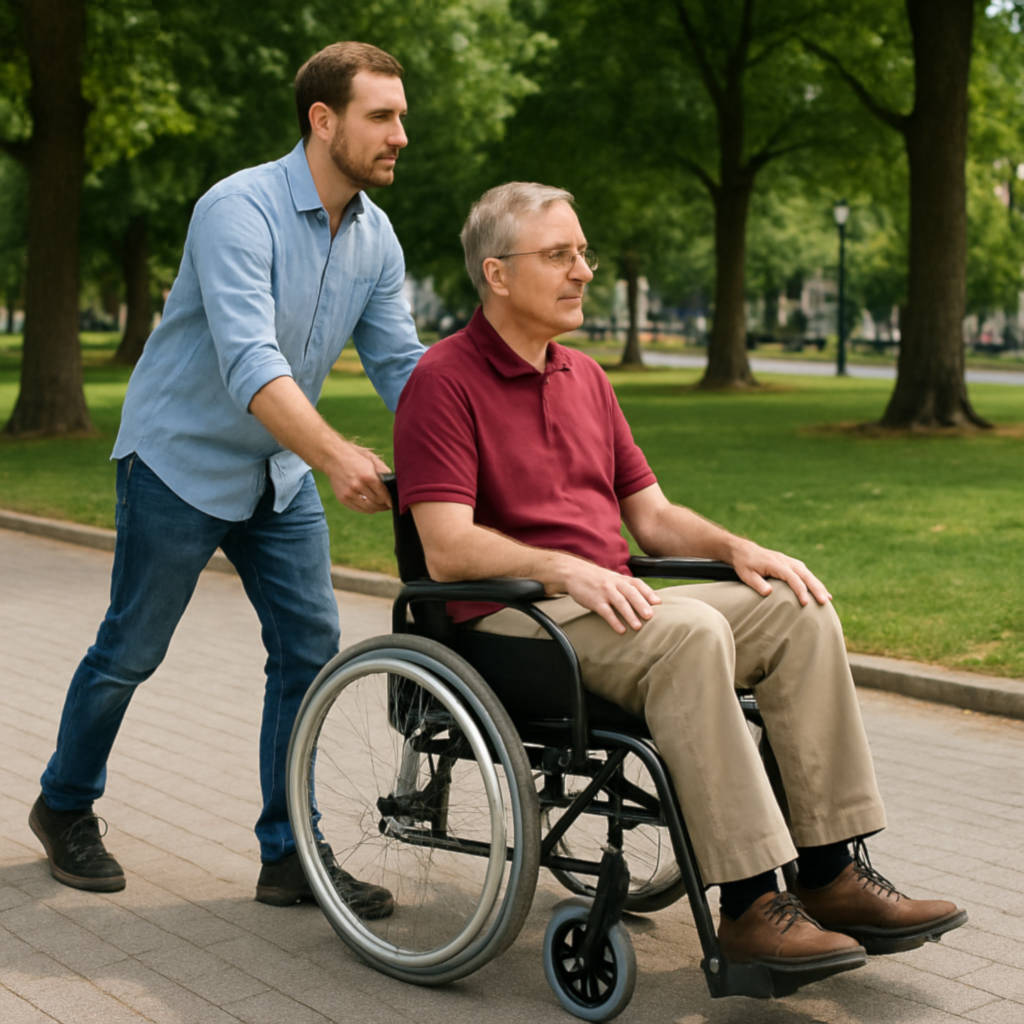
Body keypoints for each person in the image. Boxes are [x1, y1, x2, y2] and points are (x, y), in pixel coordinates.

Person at [392, 181, 966, 971]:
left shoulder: (586, 378)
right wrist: (566, 568)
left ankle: (831, 872)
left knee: (798, 608)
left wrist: (739, 549)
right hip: (511, 619)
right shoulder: (443, 381)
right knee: (691, 631)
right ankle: (752, 904)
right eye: (560, 255)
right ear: (497, 273)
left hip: (609, 601)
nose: (584, 270)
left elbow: (652, 517)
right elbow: (448, 547)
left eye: (583, 252)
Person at [29, 41, 424, 919]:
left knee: (307, 653)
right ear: (323, 121)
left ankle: (289, 854)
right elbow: (250, 363)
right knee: (132, 648)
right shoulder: (235, 209)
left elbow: (404, 365)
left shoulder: (376, 235)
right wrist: (336, 455)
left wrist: (478, 451)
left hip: (276, 476)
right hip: (179, 460)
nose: (403, 133)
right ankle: (63, 805)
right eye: (383, 116)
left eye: (402, 115)